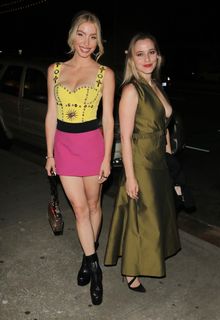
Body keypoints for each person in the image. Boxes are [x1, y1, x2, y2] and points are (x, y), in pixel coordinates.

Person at [45, 10, 115, 305]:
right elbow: (51, 113)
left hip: (92, 144)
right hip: (64, 144)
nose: (86, 41)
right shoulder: (55, 70)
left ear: (98, 41)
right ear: (73, 35)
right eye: (82, 34)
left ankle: (87, 257)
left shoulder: (105, 74)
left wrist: (106, 157)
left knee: (94, 205)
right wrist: (49, 153)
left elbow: (109, 119)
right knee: (78, 208)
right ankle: (95, 268)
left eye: (93, 35)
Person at [104, 33, 181, 292]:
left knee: (155, 215)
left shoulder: (156, 85)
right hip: (141, 161)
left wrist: (170, 156)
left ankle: (147, 257)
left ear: (158, 55)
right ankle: (130, 271)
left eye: (151, 52)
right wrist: (131, 177)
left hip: (159, 159)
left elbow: (164, 124)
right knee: (141, 217)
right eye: (140, 54)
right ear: (132, 59)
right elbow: (124, 137)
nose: (147, 58)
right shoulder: (131, 90)